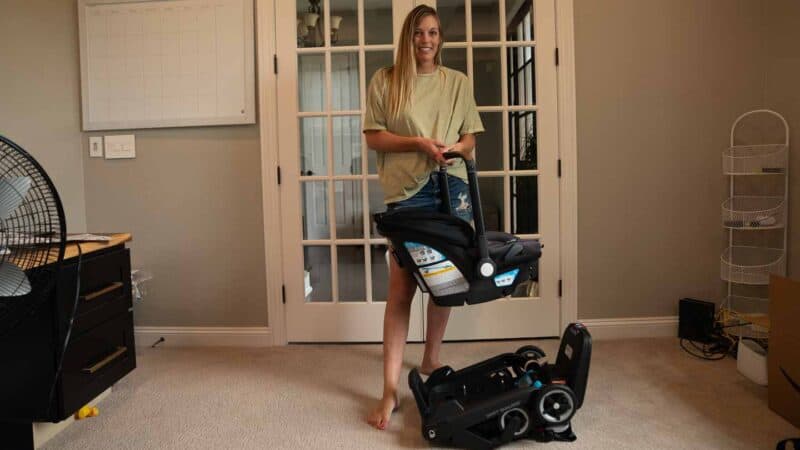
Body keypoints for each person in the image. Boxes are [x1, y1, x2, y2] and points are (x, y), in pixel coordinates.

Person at [362, 4, 484, 430]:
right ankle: (390, 391)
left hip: (451, 187)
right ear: (408, 37)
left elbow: (470, 137)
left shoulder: (458, 83)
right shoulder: (386, 80)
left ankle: (432, 356)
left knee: (444, 280)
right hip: (409, 193)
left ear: (440, 38)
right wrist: (417, 142)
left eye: (433, 33)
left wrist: (454, 149)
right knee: (401, 288)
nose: (426, 41)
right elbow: (374, 137)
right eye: (418, 33)